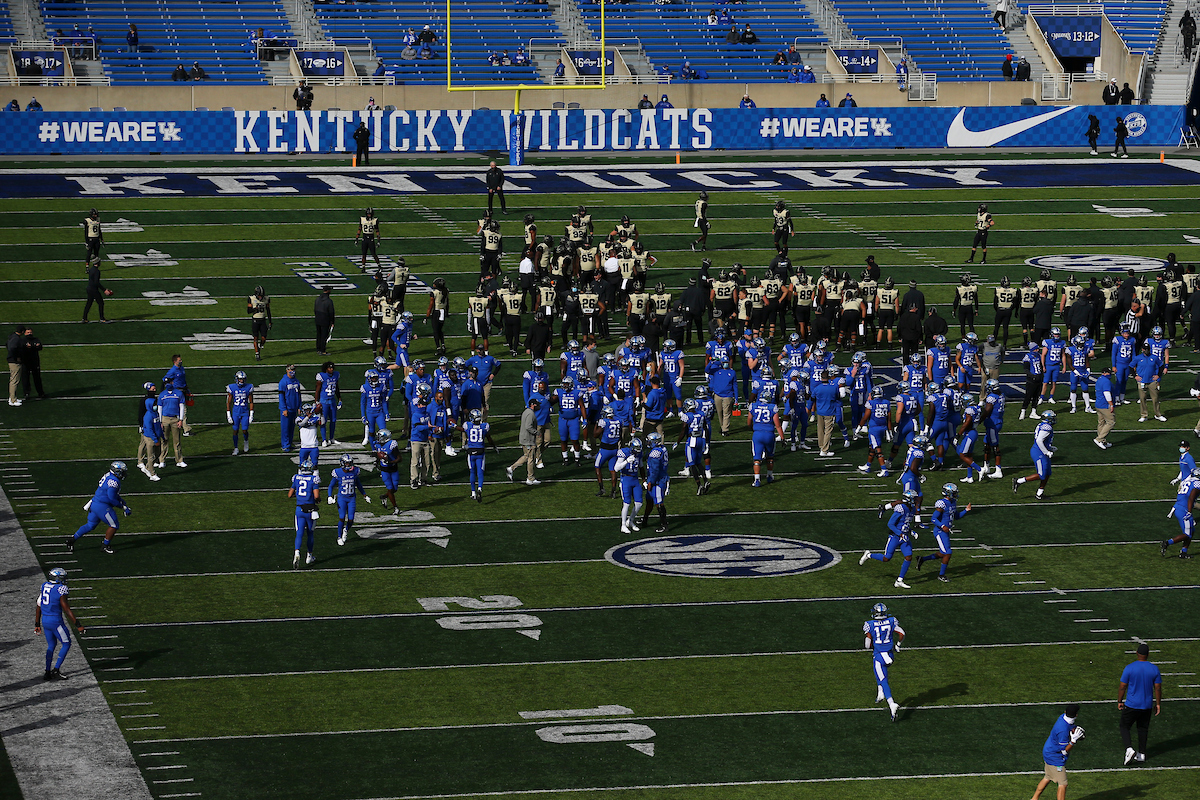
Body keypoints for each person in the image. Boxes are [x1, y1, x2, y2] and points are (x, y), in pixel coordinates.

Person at [860, 488, 922, 589]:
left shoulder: (912, 509)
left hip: (904, 537)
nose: (915, 500)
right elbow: (890, 524)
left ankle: (899, 580)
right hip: (895, 536)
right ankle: (868, 555)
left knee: (909, 556)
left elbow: (905, 523)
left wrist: (911, 531)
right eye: (914, 498)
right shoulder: (901, 508)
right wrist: (901, 534)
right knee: (886, 558)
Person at [67, 461, 131, 555]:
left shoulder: (109, 475)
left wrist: (121, 500)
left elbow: (111, 494)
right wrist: (123, 507)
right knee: (114, 525)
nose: (123, 473)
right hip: (102, 506)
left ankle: (71, 540)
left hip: (95, 503)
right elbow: (111, 498)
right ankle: (105, 546)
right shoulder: (114, 481)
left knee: (90, 525)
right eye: (122, 471)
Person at [34, 567, 85, 681]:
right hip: (55, 621)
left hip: (45, 621)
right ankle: (56, 670)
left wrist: (37, 623)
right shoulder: (61, 589)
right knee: (66, 643)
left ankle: (47, 672)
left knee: (51, 645)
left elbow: (38, 605)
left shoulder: (44, 586)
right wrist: (78, 625)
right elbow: (66, 609)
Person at [1117, 642, 1163, 765]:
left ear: (1137, 653)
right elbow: (1157, 688)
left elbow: (1122, 686)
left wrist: (1120, 700)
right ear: (1148, 655)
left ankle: (1129, 749)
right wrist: (1158, 704)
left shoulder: (1130, 667)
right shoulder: (1154, 668)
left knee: (1124, 726)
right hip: (1147, 705)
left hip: (1132, 704)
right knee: (1143, 729)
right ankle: (1142, 754)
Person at [1031, 705, 1085, 800]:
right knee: (1063, 784)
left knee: (1047, 777)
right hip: (1055, 757)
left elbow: (1070, 726)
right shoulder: (1062, 730)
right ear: (1076, 715)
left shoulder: (1062, 717)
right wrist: (1073, 741)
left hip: (1048, 752)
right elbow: (1064, 751)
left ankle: (1034, 798)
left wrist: (1075, 730)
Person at [863, 602, 904, 721]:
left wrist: (872, 645)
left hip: (880, 655)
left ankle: (892, 704)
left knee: (883, 679)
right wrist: (898, 645)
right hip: (890, 655)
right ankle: (880, 692)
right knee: (880, 671)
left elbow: (866, 645)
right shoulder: (892, 621)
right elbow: (902, 633)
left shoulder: (869, 624)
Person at [328, 453, 370, 547]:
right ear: (342, 463)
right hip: (342, 498)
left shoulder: (355, 471)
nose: (349, 465)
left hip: (351, 498)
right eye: (347, 463)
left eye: (349, 463)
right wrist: (329, 496)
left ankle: (345, 530)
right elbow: (331, 486)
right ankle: (339, 537)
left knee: (351, 519)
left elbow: (358, 484)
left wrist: (364, 495)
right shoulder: (338, 472)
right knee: (342, 517)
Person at [1013, 409, 1057, 499]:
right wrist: (1047, 452)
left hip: (1041, 450)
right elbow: (1039, 440)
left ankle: (1039, 494)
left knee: (1047, 473)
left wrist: (1050, 448)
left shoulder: (1043, 425)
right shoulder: (1047, 427)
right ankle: (1018, 481)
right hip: (1039, 452)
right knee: (1041, 474)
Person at [288, 459, 320, 568]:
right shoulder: (313, 479)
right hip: (310, 511)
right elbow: (316, 496)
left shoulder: (297, 478)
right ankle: (309, 556)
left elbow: (289, 494)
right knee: (310, 533)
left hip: (299, 510)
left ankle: (297, 553)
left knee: (299, 533)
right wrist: (318, 500)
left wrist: (297, 496)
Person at [507, 397, 542, 486]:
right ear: (533, 405)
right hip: (528, 439)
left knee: (526, 456)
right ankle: (530, 478)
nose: (538, 406)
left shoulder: (526, 412)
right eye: (537, 405)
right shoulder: (530, 414)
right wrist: (537, 432)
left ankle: (511, 468)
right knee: (530, 459)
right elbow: (528, 427)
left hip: (524, 438)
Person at [615, 437, 646, 534]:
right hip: (626, 479)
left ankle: (630, 521)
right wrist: (626, 461)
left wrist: (644, 480)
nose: (638, 451)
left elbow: (641, 467)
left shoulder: (639, 454)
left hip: (635, 479)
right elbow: (616, 468)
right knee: (627, 503)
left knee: (639, 503)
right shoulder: (623, 453)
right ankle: (623, 525)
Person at [226, 370, 254, 456]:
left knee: (245, 430)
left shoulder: (248, 387)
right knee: (235, 430)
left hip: (245, 412)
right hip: (236, 412)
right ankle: (236, 448)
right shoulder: (232, 387)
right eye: (240, 379)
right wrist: (228, 415)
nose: (241, 381)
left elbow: (251, 401)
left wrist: (251, 414)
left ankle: (246, 441)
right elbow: (229, 402)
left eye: (243, 379)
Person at [315, 361, 341, 445]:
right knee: (323, 421)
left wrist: (339, 399)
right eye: (330, 368)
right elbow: (317, 390)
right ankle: (324, 440)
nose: (332, 369)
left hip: (332, 401)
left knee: (333, 420)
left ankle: (331, 438)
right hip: (324, 401)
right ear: (326, 369)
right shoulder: (321, 376)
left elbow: (337, 387)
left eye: (332, 368)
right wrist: (316, 401)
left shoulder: (336, 375)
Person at [247, 284, 271, 361]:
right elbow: (248, 311)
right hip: (255, 321)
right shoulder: (251, 298)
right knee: (256, 338)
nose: (261, 297)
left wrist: (270, 321)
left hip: (263, 320)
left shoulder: (266, 299)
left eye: (262, 295)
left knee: (264, 337)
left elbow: (268, 310)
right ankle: (257, 353)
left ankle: (260, 346)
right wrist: (256, 309)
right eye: (260, 295)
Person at [1094, 365, 1116, 448]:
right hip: (1104, 405)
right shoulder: (1106, 381)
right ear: (1105, 373)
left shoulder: (1100, 379)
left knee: (1101, 423)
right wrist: (1111, 404)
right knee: (1111, 422)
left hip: (1098, 404)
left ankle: (1102, 441)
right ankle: (1099, 439)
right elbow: (1106, 393)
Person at [315, 286, 335, 355]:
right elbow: (331, 312)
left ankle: (318, 349)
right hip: (325, 320)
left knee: (319, 335)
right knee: (324, 336)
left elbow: (315, 309)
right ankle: (323, 350)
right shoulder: (329, 301)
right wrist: (332, 321)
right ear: (328, 291)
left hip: (318, 319)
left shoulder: (318, 299)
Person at [6, 325, 23, 407]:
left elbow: (8, 345)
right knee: (14, 380)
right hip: (14, 362)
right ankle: (12, 400)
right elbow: (12, 348)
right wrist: (17, 358)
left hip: (11, 360)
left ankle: (12, 397)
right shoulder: (16, 339)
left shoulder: (12, 336)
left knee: (13, 379)